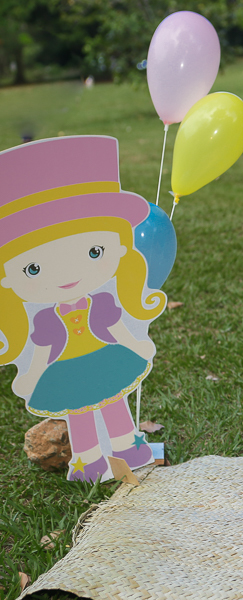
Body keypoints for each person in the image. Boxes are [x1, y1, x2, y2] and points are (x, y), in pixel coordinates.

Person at [0, 136, 167, 482]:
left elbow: (117, 327)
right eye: (34, 268)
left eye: (94, 251)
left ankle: (127, 447)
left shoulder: (103, 299)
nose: (66, 277)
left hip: (106, 356)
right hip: (64, 369)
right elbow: (44, 349)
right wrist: (31, 374)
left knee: (112, 402)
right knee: (78, 411)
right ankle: (88, 461)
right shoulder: (44, 317)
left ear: (119, 248)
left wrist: (136, 344)